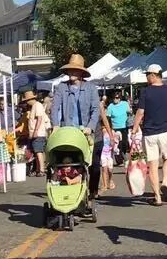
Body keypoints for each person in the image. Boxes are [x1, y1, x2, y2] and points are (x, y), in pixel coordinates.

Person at [50, 54, 104, 212]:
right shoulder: (61, 87)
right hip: (68, 134)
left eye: (75, 70)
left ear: (81, 72)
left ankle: (92, 191)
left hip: (88, 133)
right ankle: (67, 193)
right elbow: (55, 107)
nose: (72, 72)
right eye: (70, 70)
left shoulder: (91, 88)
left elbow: (96, 110)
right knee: (66, 164)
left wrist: (90, 127)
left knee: (94, 166)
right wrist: (55, 125)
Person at [131, 64, 167, 205]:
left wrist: (134, 129)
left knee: (152, 164)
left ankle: (157, 197)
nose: (146, 77)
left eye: (147, 75)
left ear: (153, 75)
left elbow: (140, 112)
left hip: (150, 133)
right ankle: (165, 182)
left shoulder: (145, 92)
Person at [21, 89, 49, 175]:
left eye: (26, 101)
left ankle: (41, 170)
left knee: (38, 151)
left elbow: (39, 118)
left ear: (30, 100)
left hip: (38, 133)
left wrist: (36, 131)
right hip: (35, 133)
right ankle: (38, 169)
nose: (26, 103)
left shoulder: (37, 105)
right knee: (36, 152)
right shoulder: (34, 106)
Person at [106, 89, 132, 160]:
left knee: (124, 143)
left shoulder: (125, 104)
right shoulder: (110, 106)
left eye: (117, 98)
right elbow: (108, 118)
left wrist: (130, 113)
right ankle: (118, 158)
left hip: (124, 127)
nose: (115, 99)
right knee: (116, 145)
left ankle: (124, 153)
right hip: (115, 128)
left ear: (120, 98)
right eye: (114, 98)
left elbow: (129, 113)